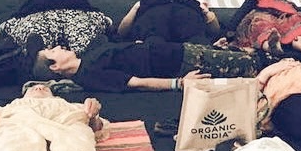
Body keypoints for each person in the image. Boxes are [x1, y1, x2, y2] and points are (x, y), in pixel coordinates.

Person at [33, 37, 263, 93]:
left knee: (238, 54)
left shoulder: (88, 56)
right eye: (52, 51)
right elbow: (136, 82)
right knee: (251, 65)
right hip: (179, 62)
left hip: (175, 49)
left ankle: (271, 51)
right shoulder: (90, 74)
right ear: (54, 66)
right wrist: (180, 83)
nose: (58, 47)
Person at [117, 0, 220, 43]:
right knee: (196, 42)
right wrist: (207, 12)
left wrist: (135, 8)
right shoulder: (190, 4)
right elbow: (215, 31)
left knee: (153, 42)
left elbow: (121, 32)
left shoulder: (149, 3)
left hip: (154, 12)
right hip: (186, 11)